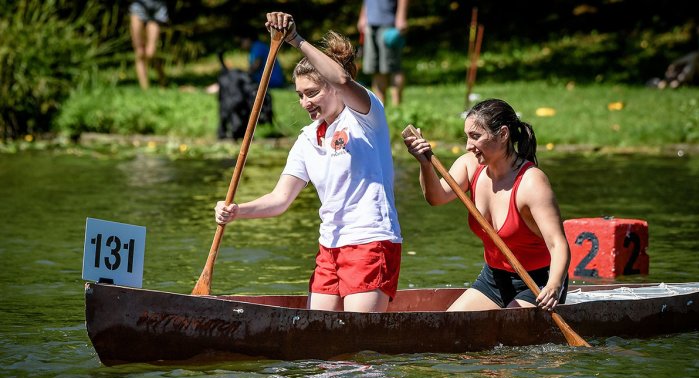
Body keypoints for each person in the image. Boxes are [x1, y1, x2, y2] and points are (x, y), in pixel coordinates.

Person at [215, 12, 403, 313]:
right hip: (329, 247)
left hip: (371, 241)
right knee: (319, 337)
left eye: (312, 92)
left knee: (356, 347)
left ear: (332, 88)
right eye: (300, 95)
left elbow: (342, 79)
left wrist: (295, 40)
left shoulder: (366, 116)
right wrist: (238, 211)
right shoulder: (307, 138)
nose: (305, 103)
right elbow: (279, 200)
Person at [403, 99, 570, 312]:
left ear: (502, 134)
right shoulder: (469, 165)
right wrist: (424, 164)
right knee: (450, 326)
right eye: (467, 137)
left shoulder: (532, 182)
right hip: (494, 278)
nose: (468, 146)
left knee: (508, 337)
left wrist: (554, 286)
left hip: (538, 281)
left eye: (476, 136)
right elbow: (435, 198)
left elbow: (558, 244)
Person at [357, 0, 408, 106]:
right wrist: (363, 16)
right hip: (370, 25)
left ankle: (397, 106)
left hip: (390, 25)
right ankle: (380, 106)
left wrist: (401, 17)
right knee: (376, 69)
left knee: (394, 68)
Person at [129, 0, 168, 89]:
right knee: (140, 52)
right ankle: (145, 89)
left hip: (157, 7)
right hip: (138, 6)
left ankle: (162, 79)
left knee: (151, 52)